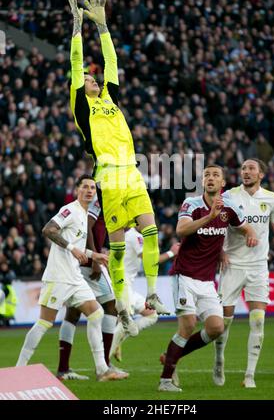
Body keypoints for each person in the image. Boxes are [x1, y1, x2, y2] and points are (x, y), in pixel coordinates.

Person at [67, 0, 169, 336]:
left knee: (151, 229)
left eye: (93, 79)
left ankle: (152, 292)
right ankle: (123, 306)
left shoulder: (108, 97)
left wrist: (103, 26)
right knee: (118, 245)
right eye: (89, 79)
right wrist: (78, 29)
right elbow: (76, 64)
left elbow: (111, 62)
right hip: (108, 177)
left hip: (132, 172)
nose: (93, 80)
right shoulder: (82, 106)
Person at [158, 165, 258, 392]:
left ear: (223, 183)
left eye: (215, 175)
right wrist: (209, 217)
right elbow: (181, 231)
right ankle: (165, 380)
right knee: (188, 324)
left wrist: (251, 234)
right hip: (184, 275)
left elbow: (244, 227)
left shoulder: (230, 207)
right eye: (206, 176)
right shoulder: (191, 204)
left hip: (206, 280)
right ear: (202, 182)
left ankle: (172, 356)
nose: (210, 178)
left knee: (216, 328)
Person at [16, 174, 124, 381]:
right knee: (44, 323)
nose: (90, 191)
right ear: (77, 190)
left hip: (74, 277)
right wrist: (73, 249)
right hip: (58, 277)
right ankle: (20, 368)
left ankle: (102, 369)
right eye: (85, 187)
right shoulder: (70, 210)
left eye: (92, 188)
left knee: (96, 313)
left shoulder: (84, 215)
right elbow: (48, 229)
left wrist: (95, 255)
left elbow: (80, 247)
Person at [213, 158, 274, 388]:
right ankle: (219, 360)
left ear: (261, 174)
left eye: (251, 169)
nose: (246, 172)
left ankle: (249, 375)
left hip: (258, 267)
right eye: (243, 168)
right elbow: (215, 226)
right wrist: (220, 252)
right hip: (232, 265)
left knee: (258, 321)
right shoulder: (228, 196)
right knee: (223, 321)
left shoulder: (271, 198)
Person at [57, 193, 128, 380]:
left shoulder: (106, 197)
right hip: (87, 262)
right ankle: (104, 365)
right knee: (111, 305)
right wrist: (95, 257)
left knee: (72, 314)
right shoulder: (100, 197)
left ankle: (64, 369)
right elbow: (88, 224)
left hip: (77, 262)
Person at [110, 227, 180, 362]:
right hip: (121, 284)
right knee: (124, 321)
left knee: (152, 315)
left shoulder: (135, 236)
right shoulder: (135, 237)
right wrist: (172, 253)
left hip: (127, 285)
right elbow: (151, 261)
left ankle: (118, 342)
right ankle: (104, 365)